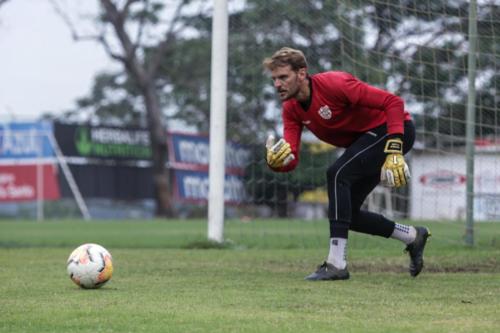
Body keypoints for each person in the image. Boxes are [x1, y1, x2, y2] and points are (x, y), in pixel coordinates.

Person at [262, 47, 431, 281]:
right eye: (274, 79)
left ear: (302, 73)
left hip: (395, 130)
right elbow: (292, 159)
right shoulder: (291, 109)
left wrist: (394, 149)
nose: (277, 85)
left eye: (283, 77)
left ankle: (336, 264)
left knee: (337, 173)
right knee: (347, 213)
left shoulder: (334, 83)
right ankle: (412, 236)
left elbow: (394, 103)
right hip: (367, 143)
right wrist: (276, 162)